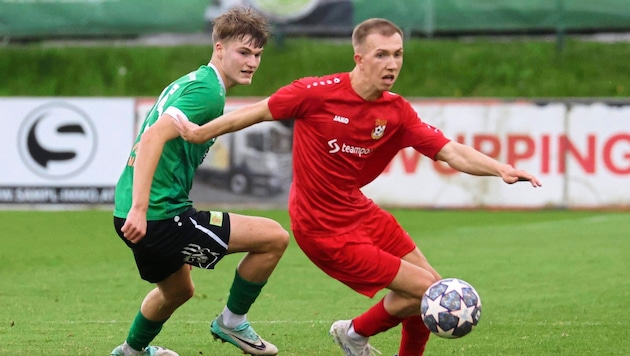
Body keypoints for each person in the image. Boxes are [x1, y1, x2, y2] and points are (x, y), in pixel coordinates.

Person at [172, 18, 542, 356]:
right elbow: (255, 112)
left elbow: (450, 152)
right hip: (321, 228)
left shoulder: (397, 112)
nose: (392, 64)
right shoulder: (316, 94)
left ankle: (364, 338)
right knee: (425, 290)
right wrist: (200, 132)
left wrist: (501, 169)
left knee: (430, 287)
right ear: (360, 58)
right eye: (381, 55)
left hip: (359, 211)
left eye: (398, 54)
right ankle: (354, 333)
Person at [110, 7, 289, 356]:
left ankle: (130, 352)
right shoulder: (207, 93)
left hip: (129, 211)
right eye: (243, 52)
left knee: (178, 291)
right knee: (274, 238)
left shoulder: (191, 81)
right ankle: (232, 322)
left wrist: (133, 208)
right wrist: (142, 208)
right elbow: (151, 140)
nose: (251, 61)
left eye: (257, 55)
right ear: (219, 49)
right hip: (159, 215)